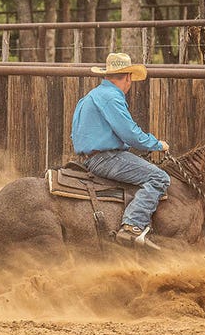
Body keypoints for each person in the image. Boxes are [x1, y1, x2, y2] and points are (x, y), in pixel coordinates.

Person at [71, 52, 170, 248]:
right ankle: (132, 226)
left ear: (107, 75)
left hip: (91, 158)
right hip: (107, 158)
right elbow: (130, 133)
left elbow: (75, 134)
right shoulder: (111, 97)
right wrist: (157, 144)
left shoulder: (90, 97)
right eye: (130, 79)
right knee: (159, 178)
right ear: (128, 77)